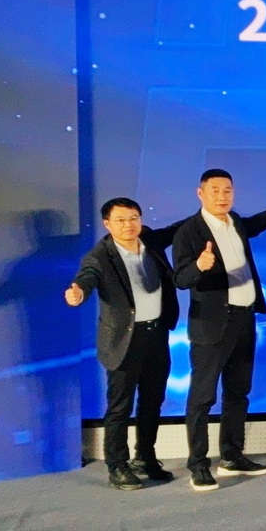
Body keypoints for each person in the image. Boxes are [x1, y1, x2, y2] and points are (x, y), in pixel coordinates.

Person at [172, 169, 266, 492]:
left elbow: (258, 223)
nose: (222, 196)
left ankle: (232, 456)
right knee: (203, 397)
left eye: (228, 190)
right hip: (211, 325)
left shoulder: (234, 221)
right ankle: (198, 464)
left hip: (244, 320)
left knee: (238, 392)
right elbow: (180, 278)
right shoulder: (188, 231)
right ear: (200, 193)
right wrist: (198, 267)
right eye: (215, 190)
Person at [65, 198, 181, 490]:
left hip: (157, 334)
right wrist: (79, 293)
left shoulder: (149, 241)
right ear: (107, 224)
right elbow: (87, 278)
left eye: (133, 218)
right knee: (120, 406)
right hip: (124, 340)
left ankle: (146, 457)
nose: (128, 225)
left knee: (153, 401)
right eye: (120, 220)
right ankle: (117, 465)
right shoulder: (99, 257)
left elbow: (178, 229)